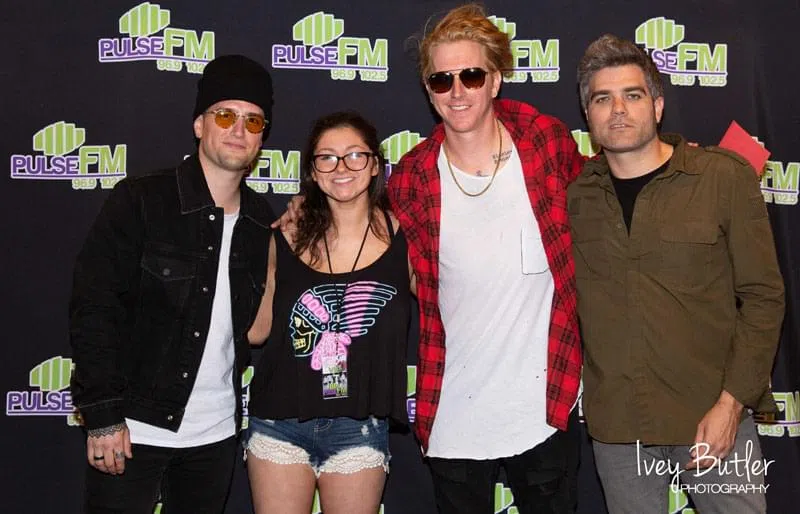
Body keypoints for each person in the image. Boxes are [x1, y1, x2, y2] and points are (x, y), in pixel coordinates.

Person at [569, 34, 785, 514]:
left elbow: (763, 297)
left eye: (632, 94)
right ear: (587, 115)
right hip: (620, 430)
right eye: (602, 99)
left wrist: (732, 404)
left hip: (711, 417)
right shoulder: (575, 196)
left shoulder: (722, 178)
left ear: (658, 104)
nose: (618, 109)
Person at [388, 4, 583, 513]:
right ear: (428, 89)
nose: (457, 91)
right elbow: (371, 244)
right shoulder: (410, 178)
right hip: (454, 411)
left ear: (495, 80)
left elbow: (611, 193)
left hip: (544, 408)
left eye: (471, 76)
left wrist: (675, 160)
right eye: (441, 80)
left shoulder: (546, 141)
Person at [69, 55, 276, 513]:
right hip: (132, 430)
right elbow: (94, 307)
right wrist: (103, 416)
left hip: (215, 436)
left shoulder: (262, 221)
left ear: (262, 136)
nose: (238, 129)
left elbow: (252, 331)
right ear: (199, 124)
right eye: (225, 115)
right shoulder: (142, 200)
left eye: (252, 120)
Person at [245, 111, 412, 514]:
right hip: (279, 422)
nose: (341, 167)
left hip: (360, 427)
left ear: (375, 165)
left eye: (355, 155)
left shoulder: (407, 237)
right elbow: (256, 332)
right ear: (313, 172)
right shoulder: (284, 236)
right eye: (327, 158)